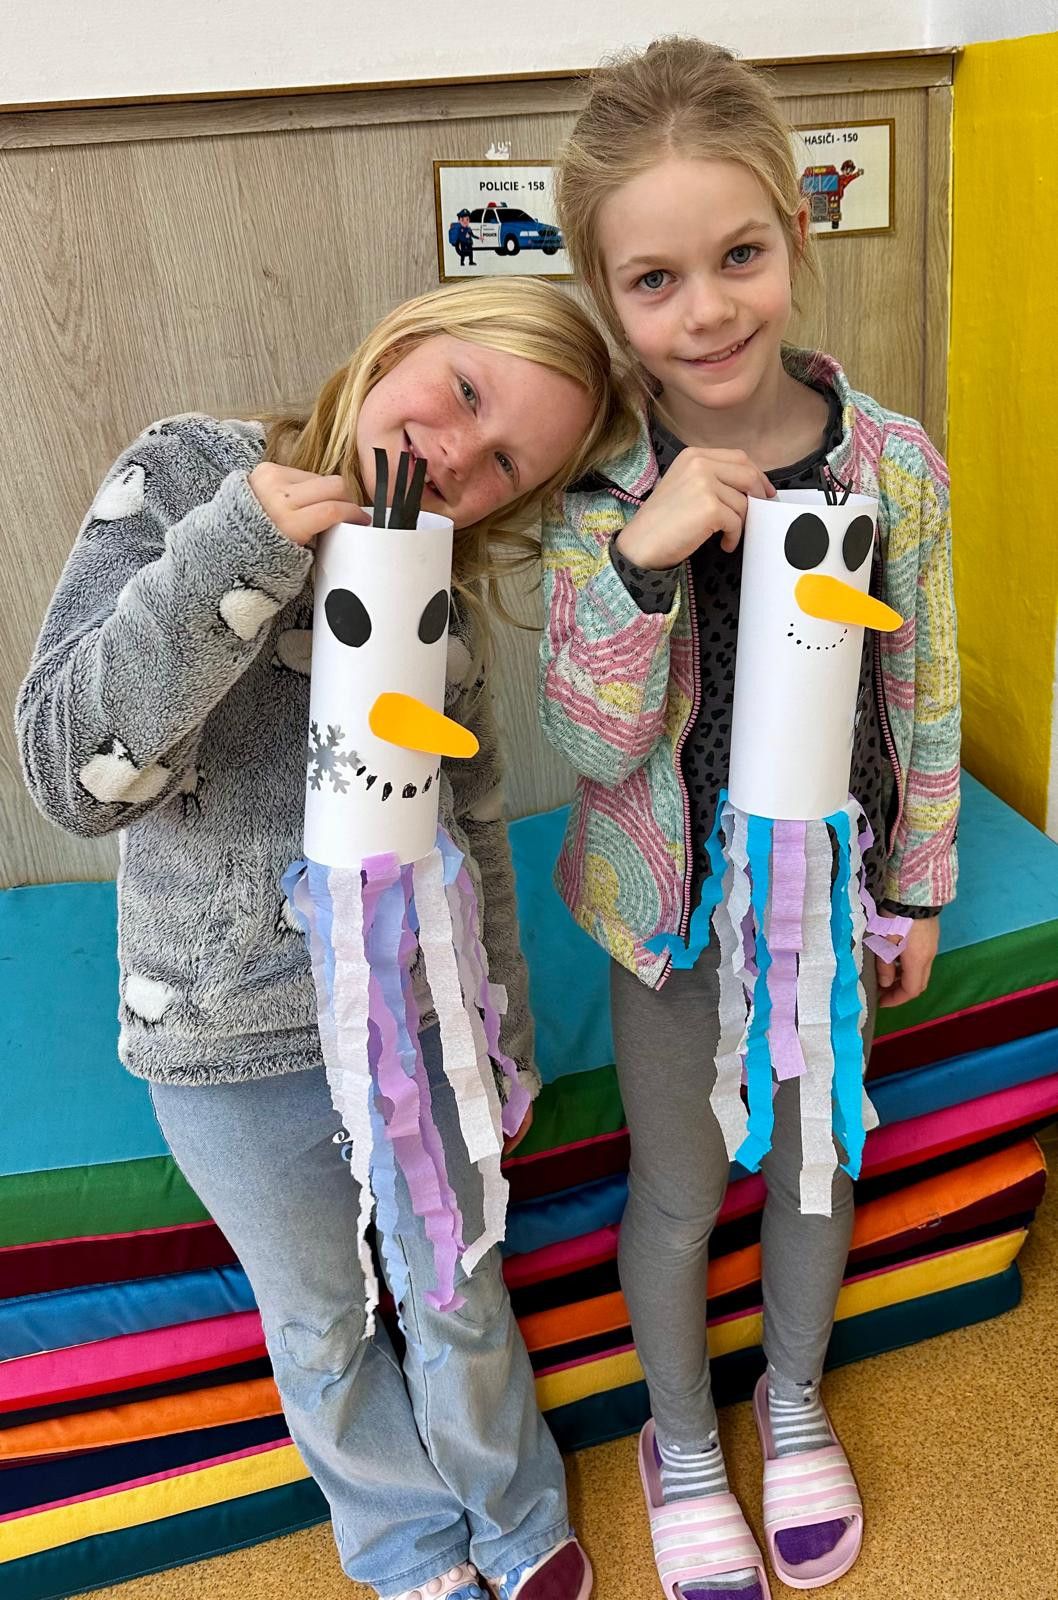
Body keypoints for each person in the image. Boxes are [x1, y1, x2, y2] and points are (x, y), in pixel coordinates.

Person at [18, 276, 634, 1600]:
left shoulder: (437, 593)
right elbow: (71, 775)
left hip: (417, 1026)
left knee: (461, 1287)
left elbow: (472, 826)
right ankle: (405, 1544)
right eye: (461, 390)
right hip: (225, 1040)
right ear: (405, 336)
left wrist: (499, 1035)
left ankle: (513, 1511)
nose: (456, 451)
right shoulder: (188, 476)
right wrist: (238, 551)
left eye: (505, 462)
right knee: (319, 1323)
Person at [538, 38, 959, 1599]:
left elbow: (922, 687)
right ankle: (680, 1438)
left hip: (829, 896)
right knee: (678, 1187)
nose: (706, 310)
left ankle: (787, 1401)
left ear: (793, 230)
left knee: (812, 1166)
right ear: (605, 296)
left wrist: (915, 886)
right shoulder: (596, 489)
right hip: (672, 919)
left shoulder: (891, 464)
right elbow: (587, 736)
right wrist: (641, 560)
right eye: (654, 281)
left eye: (737, 257)